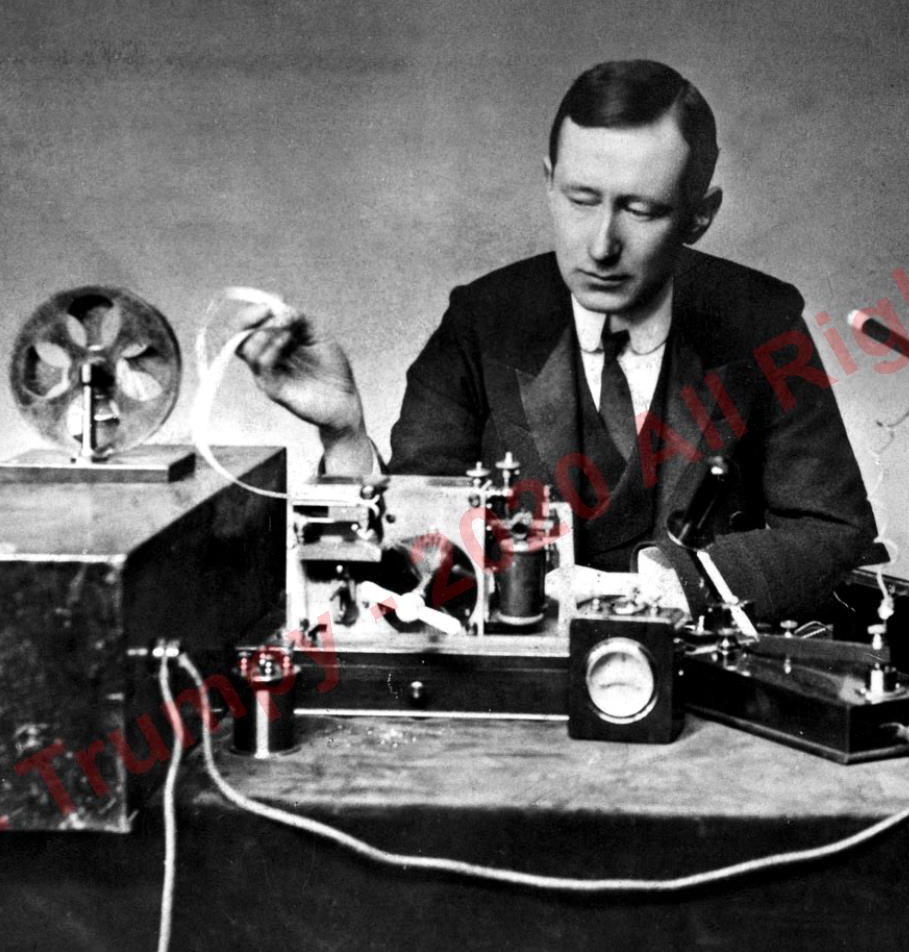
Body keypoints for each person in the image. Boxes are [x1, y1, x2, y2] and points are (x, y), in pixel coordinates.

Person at [234, 60, 876, 620]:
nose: (601, 245)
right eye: (580, 199)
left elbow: (831, 531)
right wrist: (345, 435)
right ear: (549, 182)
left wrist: (668, 589)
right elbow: (419, 549)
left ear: (698, 217)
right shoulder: (481, 320)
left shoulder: (762, 322)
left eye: (641, 209)